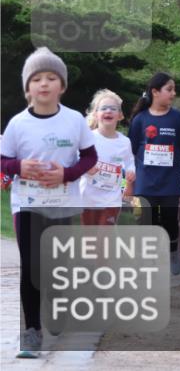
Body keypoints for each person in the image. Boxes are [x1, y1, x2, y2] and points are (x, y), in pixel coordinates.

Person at [1, 47, 97, 358]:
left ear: (62, 85)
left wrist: (67, 174)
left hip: (62, 201)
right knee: (31, 266)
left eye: (51, 77)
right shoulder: (17, 124)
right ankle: (31, 332)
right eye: (37, 79)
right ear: (28, 87)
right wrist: (19, 168)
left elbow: (90, 156)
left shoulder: (74, 121)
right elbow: (3, 160)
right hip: (27, 202)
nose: (44, 84)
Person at [129, 72, 180, 276]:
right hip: (145, 182)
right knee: (147, 220)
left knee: (168, 220)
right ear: (155, 92)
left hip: (170, 181)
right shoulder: (140, 119)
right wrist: (129, 182)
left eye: (174, 89)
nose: (173, 93)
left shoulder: (177, 118)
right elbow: (129, 152)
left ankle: (173, 252)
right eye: (169, 89)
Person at [80, 89, 135, 225]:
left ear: (120, 115)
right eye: (104, 108)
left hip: (112, 200)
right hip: (88, 198)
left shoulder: (124, 142)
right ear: (96, 114)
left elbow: (129, 162)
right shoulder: (88, 138)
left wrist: (131, 173)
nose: (108, 111)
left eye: (113, 108)